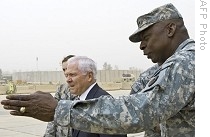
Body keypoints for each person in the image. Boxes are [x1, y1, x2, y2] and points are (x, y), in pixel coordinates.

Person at [1, 3, 195, 137]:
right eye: (65, 74)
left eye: (146, 37)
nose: (141, 46)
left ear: (170, 30)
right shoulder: (156, 72)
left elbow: (139, 112)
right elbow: (134, 102)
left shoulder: (186, 62)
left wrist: (59, 109)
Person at [63, 56, 126, 137]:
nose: (68, 80)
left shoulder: (105, 104)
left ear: (89, 76)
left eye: (72, 75)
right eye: (66, 75)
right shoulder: (79, 101)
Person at [44, 55, 76, 137]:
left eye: (67, 68)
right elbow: (53, 115)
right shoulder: (61, 89)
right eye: (64, 69)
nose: (65, 72)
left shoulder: (84, 91)